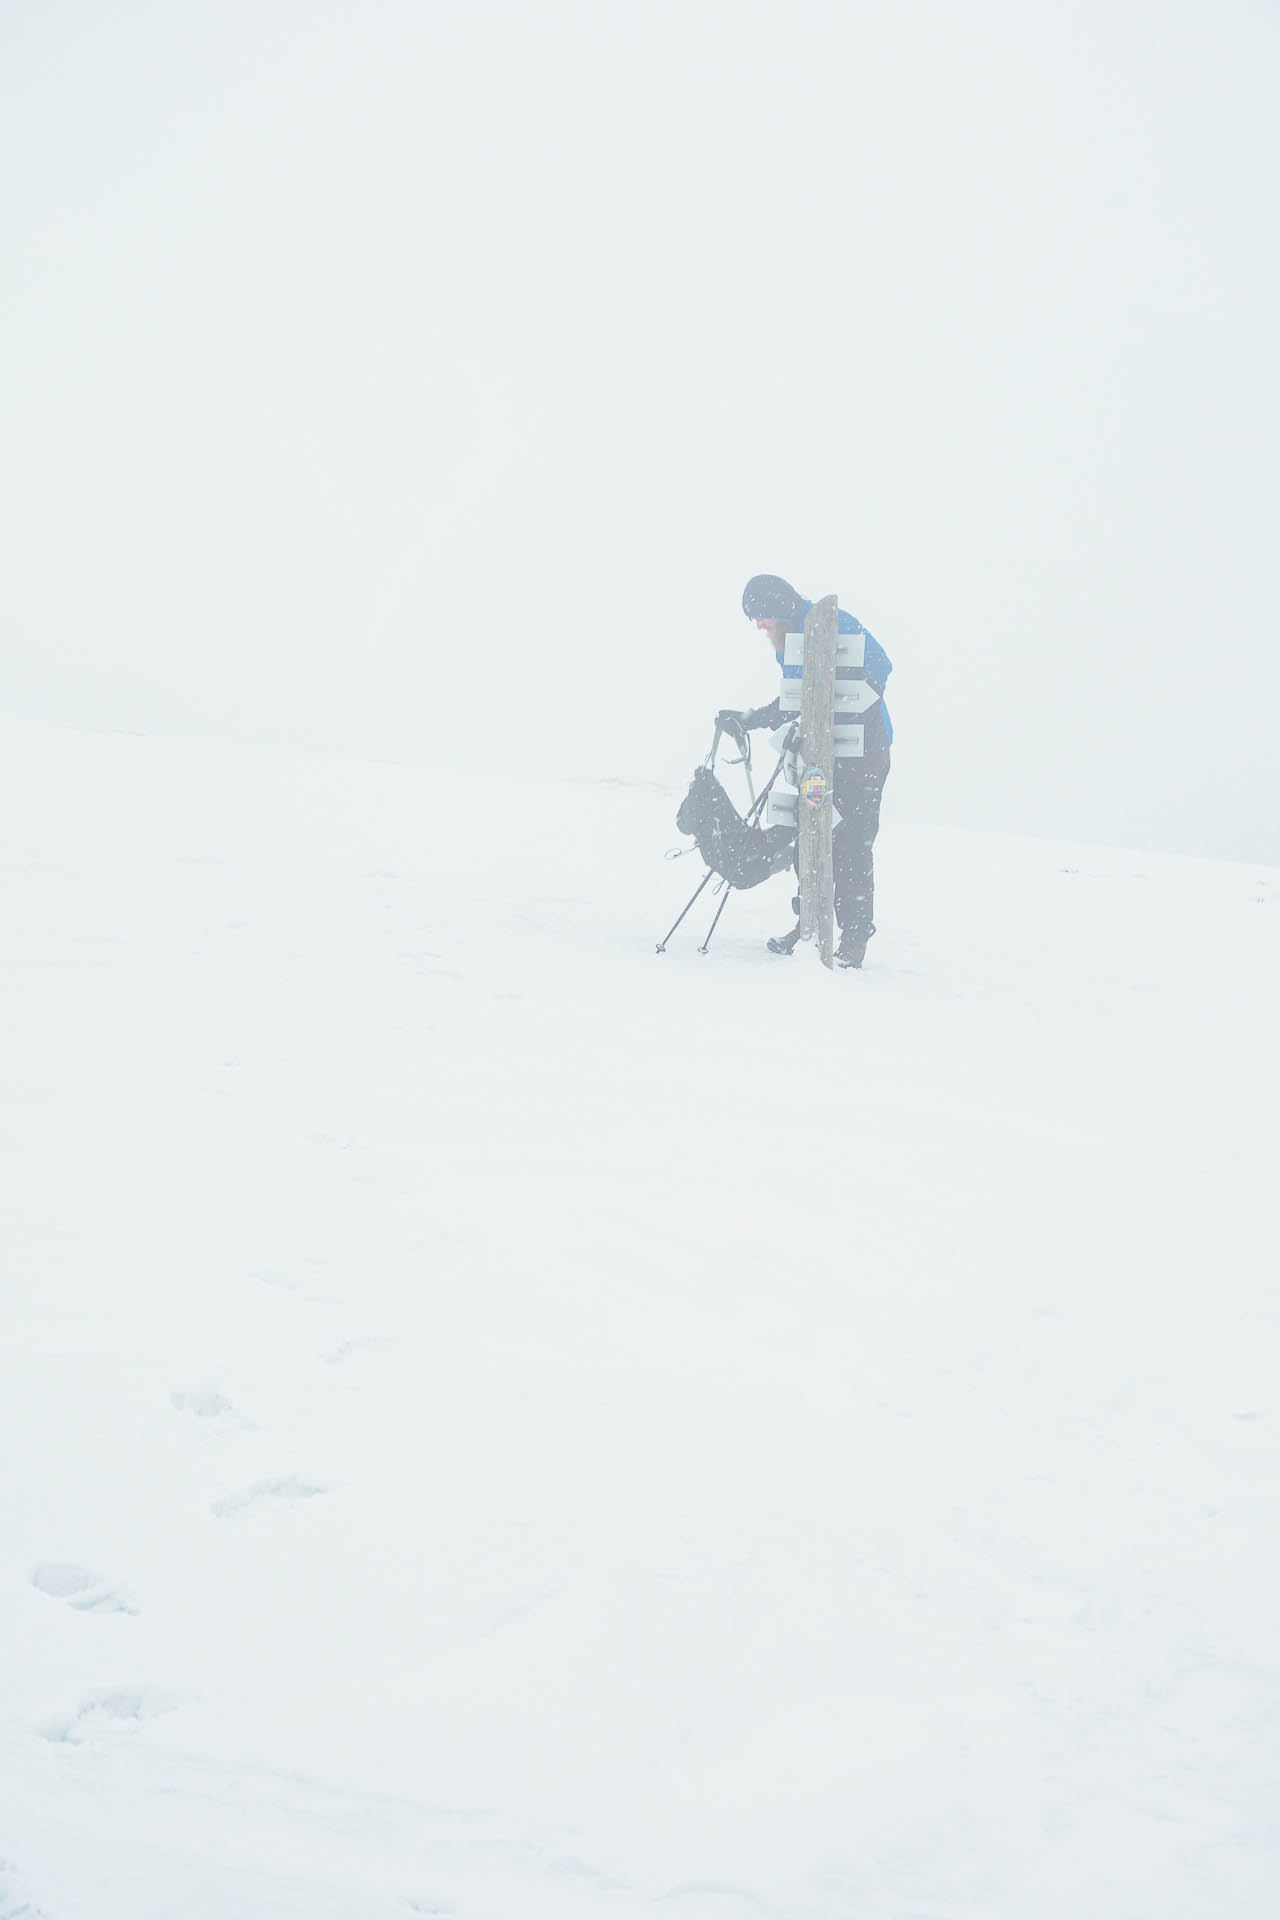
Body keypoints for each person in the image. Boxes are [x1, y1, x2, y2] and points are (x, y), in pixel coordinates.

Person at [718, 573, 893, 969]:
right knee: (811, 833)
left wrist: (840, 713)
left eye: (761, 615)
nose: (758, 625)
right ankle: (811, 928)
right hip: (819, 763)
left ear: (779, 607)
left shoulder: (834, 622)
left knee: (851, 844)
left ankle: (852, 940)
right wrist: (750, 718)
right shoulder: (788, 643)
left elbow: (881, 667)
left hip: (864, 758)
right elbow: (796, 699)